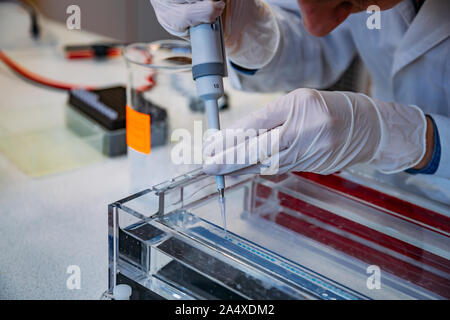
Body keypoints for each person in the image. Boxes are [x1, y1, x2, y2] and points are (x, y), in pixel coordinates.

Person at [149, 0, 450, 203]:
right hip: (394, 196)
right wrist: (246, 30)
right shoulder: (319, 13)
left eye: (350, 1)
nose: (315, 23)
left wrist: (409, 138)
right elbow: (315, 39)